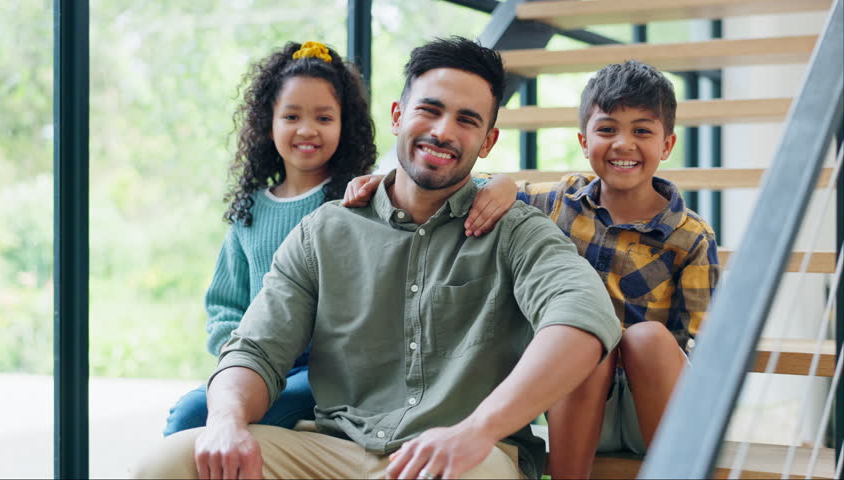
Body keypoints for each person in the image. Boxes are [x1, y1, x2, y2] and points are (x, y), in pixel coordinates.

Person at [134, 36, 622, 480]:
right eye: (429, 110)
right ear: (397, 115)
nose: (443, 131)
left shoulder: (515, 231)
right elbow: (255, 349)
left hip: (466, 457)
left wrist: (477, 430)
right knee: (169, 462)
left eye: (467, 120)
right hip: (333, 448)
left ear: (488, 141)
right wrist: (225, 421)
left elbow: (583, 316)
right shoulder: (326, 230)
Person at [349, 60, 721, 479]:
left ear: (667, 145)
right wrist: (386, 179)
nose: (623, 144)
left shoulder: (689, 236)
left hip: (651, 409)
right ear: (584, 141)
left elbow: (704, 348)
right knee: (584, 335)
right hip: (570, 400)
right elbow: (460, 181)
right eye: (607, 129)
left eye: (642, 131)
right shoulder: (557, 202)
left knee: (647, 338)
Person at [162, 40, 377, 437]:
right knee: (188, 415)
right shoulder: (250, 212)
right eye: (291, 116)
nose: (307, 130)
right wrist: (243, 357)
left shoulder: (360, 198)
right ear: (269, 122)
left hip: (329, 374)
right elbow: (224, 307)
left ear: (346, 125)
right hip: (260, 361)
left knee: (198, 419)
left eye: (324, 118)